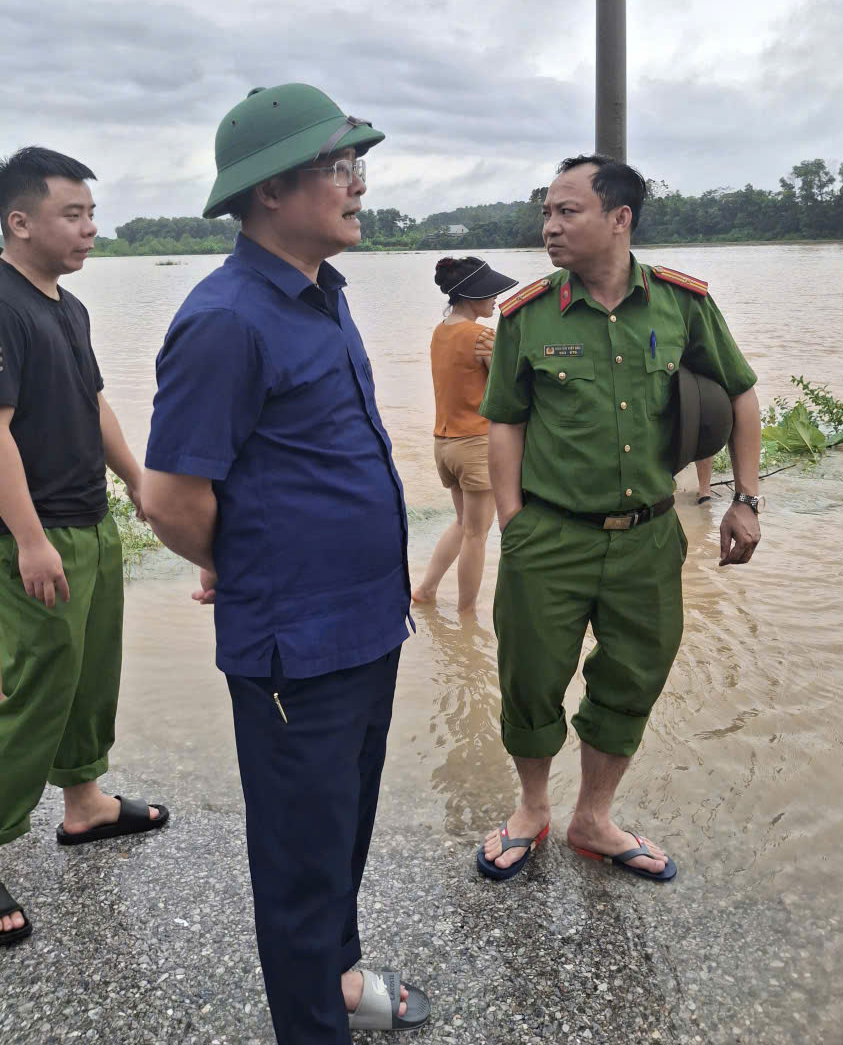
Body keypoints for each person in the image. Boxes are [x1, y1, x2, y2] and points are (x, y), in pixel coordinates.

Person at [141, 85, 430, 1043]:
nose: (359, 186)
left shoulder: (321, 295)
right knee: (301, 865)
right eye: (339, 167)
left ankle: (339, 982)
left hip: (363, 626)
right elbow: (172, 497)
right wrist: (246, 565)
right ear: (270, 190)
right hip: (294, 648)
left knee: (340, 835)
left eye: (358, 166)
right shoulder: (226, 319)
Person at [476, 153, 762, 882]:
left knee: (634, 677)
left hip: (647, 537)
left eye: (567, 210)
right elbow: (504, 421)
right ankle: (532, 810)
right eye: (546, 212)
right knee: (530, 678)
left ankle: (594, 818)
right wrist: (514, 521)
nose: (550, 226)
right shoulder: (527, 314)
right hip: (550, 535)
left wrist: (746, 499)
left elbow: (739, 396)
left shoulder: (682, 304)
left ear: (620, 218)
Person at [0, 147, 167, 949]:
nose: (91, 229)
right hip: (30, 535)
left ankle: (85, 804)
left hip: (89, 520)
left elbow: (94, 398)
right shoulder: (0, 302)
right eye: (74, 214)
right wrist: (29, 540)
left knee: (91, 674)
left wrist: (135, 480)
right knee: (34, 691)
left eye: (92, 214)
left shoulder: (66, 306)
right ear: (19, 220)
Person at [411, 255, 517, 614]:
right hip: (475, 444)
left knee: (462, 523)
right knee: (477, 533)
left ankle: (425, 590)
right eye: (489, 294)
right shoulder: (481, 335)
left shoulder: (440, 332)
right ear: (471, 295)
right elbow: (511, 388)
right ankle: (467, 614)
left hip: (444, 444)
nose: (495, 300)